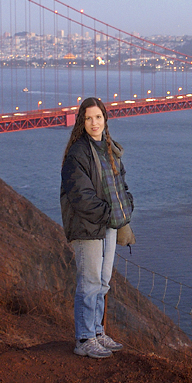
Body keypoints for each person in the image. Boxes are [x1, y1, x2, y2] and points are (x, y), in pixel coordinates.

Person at [60, 97, 134, 359]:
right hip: (88, 227)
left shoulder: (108, 149)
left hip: (109, 226)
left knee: (103, 282)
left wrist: (127, 204)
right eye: (89, 118)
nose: (94, 123)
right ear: (82, 121)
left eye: (98, 117)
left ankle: (97, 332)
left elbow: (120, 182)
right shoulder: (77, 153)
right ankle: (84, 338)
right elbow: (80, 195)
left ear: (105, 119)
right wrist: (109, 213)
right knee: (89, 283)